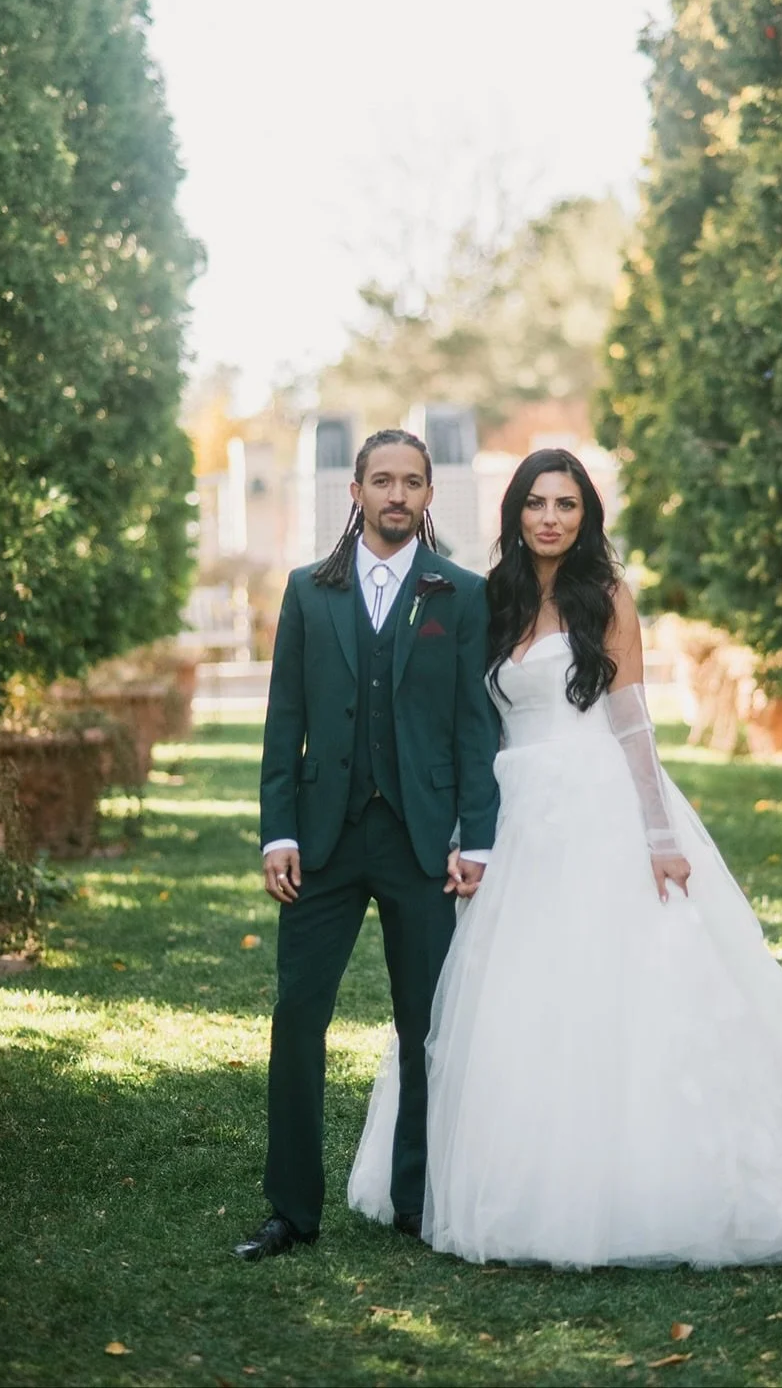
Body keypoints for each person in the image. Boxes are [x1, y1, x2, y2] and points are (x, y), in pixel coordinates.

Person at [348, 447, 782, 1269]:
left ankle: (636, 1180)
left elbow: (631, 720)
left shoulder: (607, 598)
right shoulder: (490, 601)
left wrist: (658, 833)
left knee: (613, 983)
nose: (550, 518)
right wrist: (463, 829)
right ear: (515, 514)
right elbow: (472, 725)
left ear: (584, 515)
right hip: (510, 809)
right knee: (500, 991)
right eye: (535, 503)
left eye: (565, 504)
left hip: (595, 799)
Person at [234, 429, 500, 1262]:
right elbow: (285, 722)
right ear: (354, 491)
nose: (395, 495)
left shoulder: (457, 593)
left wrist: (478, 842)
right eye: (380, 480)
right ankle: (290, 1209)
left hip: (422, 845)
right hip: (322, 842)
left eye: (410, 482)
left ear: (427, 496)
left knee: (424, 1026)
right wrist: (278, 829)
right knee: (296, 1016)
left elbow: (472, 725)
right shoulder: (308, 592)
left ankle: (418, 1201)